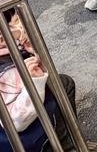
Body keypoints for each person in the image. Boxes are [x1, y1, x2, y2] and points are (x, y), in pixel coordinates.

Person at [0, 12, 78, 152]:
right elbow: (17, 122)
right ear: (1, 38)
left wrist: (33, 52)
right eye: (16, 22)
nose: (22, 27)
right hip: (20, 141)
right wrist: (34, 82)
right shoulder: (7, 73)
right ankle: (65, 147)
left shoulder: (10, 51)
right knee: (63, 85)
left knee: (61, 82)